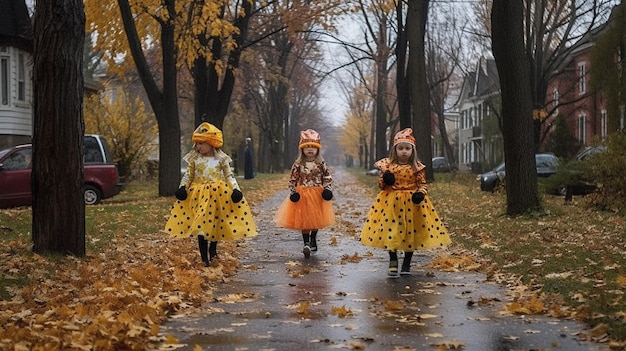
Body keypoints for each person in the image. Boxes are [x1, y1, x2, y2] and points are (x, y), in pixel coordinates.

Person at [360, 128, 451, 277]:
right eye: (400, 148)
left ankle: (407, 263)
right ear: (395, 150)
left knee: (411, 232)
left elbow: (422, 184)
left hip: (412, 204)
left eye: (407, 148)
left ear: (412, 150)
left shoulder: (417, 167)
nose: (404, 152)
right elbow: (381, 185)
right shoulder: (388, 167)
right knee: (392, 231)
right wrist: (386, 179)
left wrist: (420, 194)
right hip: (391, 204)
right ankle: (393, 260)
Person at [164, 122, 257, 266]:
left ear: (211, 143)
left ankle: (213, 251)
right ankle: (204, 258)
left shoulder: (221, 159)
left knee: (214, 224)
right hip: (200, 196)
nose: (199, 147)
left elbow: (229, 176)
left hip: (218, 196)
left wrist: (235, 189)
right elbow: (188, 176)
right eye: (197, 143)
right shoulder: (194, 159)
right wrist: (182, 187)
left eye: (202, 143)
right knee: (201, 225)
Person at [274, 129, 335, 258]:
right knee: (304, 219)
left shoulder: (321, 163)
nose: (310, 150)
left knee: (315, 218)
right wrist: (293, 192)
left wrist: (328, 189)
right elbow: (293, 179)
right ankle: (306, 243)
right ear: (302, 149)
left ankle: (313, 239)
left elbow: (327, 177)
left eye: (313, 147)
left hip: (317, 194)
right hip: (303, 195)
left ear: (318, 149)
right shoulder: (298, 164)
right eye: (307, 147)